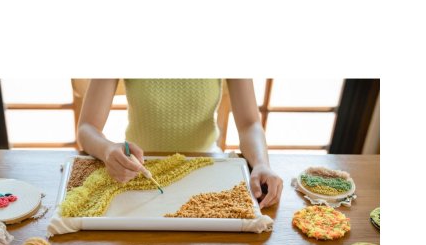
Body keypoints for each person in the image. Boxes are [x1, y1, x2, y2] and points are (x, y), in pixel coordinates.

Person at [76, 79, 283, 207]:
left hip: (206, 166)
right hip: (139, 167)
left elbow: (249, 124)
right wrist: (108, 150)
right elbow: (87, 128)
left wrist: (261, 164)